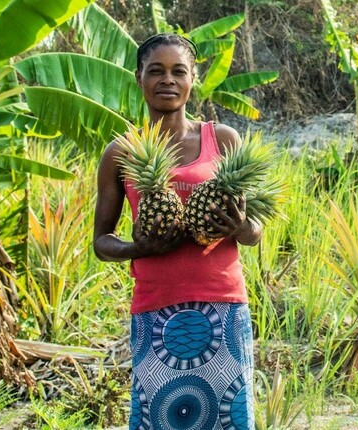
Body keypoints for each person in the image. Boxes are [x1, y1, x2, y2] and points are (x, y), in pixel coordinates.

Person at [93, 34, 262, 430]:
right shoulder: (120, 151)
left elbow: (255, 232)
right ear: (139, 78)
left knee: (228, 418)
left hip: (222, 304)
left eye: (178, 71)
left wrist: (238, 225)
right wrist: (140, 247)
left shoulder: (222, 140)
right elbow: (101, 241)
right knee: (160, 418)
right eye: (156, 71)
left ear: (192, 80)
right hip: (156, 310)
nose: (167, 80)